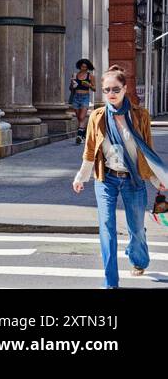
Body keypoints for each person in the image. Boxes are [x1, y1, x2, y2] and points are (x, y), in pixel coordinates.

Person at [72, 64, 168, 288]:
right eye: (106, 90)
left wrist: (158, 180)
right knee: (106, 227)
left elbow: (147, 152)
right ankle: (111, 282)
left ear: (125, 89)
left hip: (133, 180)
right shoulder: (97, 117)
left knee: (136, 229)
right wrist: (80, 177)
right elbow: (89, 151)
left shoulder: (140, 116)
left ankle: (138, 259)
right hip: (106, 179)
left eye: (115, 89)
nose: (111, 94)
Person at [69, 58, 95, 143]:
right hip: (76, 97)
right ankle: (83, 134)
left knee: (82, 117)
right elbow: (70, 88)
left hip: (85, 97)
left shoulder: (90, 76)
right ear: (79, 66)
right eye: (82, 67)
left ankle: (79, 136)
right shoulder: (75, 75)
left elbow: (94, 89)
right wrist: (73, 84)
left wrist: (89, 85)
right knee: (79, 118)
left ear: (88, 68)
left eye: (85, 67)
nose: (83, 68)